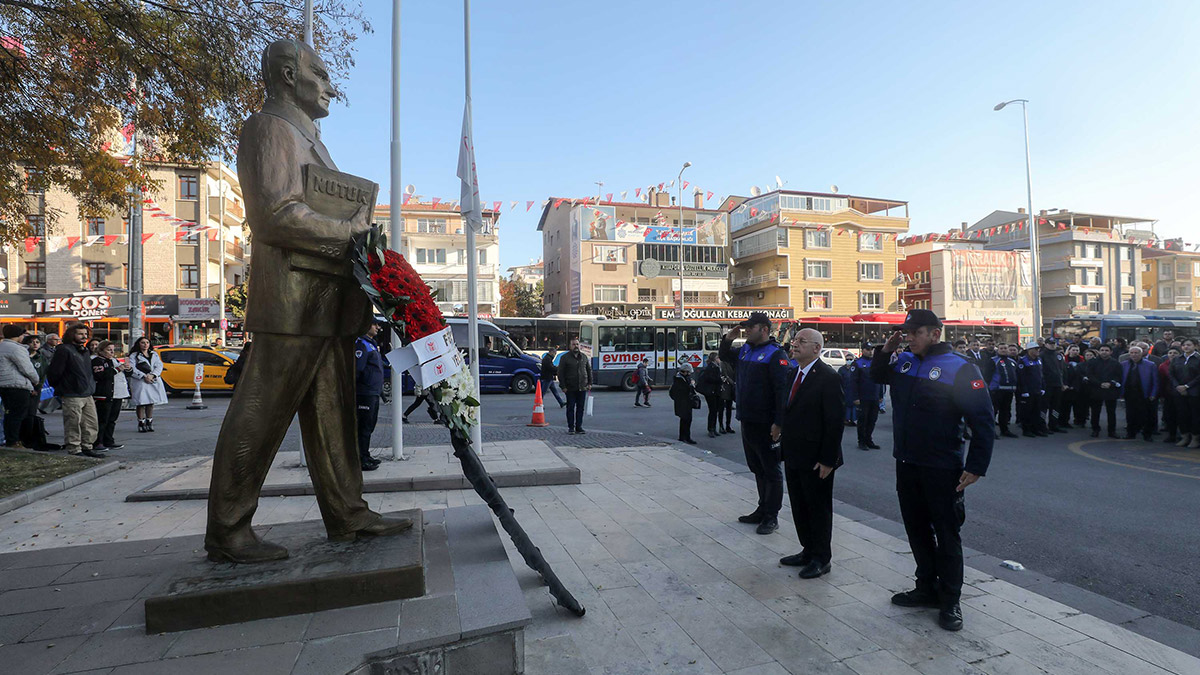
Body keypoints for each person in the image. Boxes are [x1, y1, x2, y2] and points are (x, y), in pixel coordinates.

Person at [206, 39, 411, 564]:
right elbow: (274, 215)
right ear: (286, 74)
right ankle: (228, 528)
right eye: (319, 74)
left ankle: (348, 513)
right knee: (261, 412)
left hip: (326, 302)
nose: (329, 86)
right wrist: (352, 234)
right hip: (291, 300)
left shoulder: (307, 139)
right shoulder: (268, 128)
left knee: (333, 414)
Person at [870, 309, 994, 632]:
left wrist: (976, 466)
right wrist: (886, 350)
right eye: (906, 332)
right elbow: (877, 376)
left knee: (946, 533)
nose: (908, 337)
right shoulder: (905, 361)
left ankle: (950, 599)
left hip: (942, 465)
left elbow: (983, 420)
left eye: (915, 332)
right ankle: (926, 586)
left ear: (935, 333)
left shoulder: (960, 368)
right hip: (907, 461)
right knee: (916, 528)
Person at [777, 329, 844, 580]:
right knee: (799, 506)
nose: (794, 345)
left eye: (801, 342)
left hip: (817, 458)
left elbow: (834, 422)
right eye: (794, 341)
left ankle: (821, 558)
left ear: (816, 348)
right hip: (794, 453)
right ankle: (807, 550)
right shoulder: (793, 373)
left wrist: (828, 459)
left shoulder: (828, 377)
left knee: (818, 509)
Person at [719, 312, 790, 535]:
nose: (747, 330)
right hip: (747, 419)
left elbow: (782, 391)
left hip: (766, 423)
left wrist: (779, 423)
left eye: (751, 327)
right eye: (746, 327)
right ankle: (762, 509)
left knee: (771, 470)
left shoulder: (775, 354)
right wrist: (728, 338)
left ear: (764, 329)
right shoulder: (746, 350)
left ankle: (771, 516)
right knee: (757, 468)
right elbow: (724, 355)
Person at [46, 323, 105, 458]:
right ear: (72, 335)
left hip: (87, 392)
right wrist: (63, 386)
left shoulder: (85, 351)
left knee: (90, 423)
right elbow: (55, 372)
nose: (84, 336)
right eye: (80, 334)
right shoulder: (64, 350)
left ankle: (87, 446)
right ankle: (74, 448)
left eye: (85, 334)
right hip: (71, 392)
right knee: (73, 422)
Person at [0, 325, 38, 447]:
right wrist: (35, 380)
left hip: (4, 384)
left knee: (9, 413)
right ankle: (14, 441)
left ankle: (10, 439)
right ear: (18, 335)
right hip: (17, 384)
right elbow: (26, 368)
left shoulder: (2, 346)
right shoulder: (16, 349)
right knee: (18, 414)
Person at [354, 323, 385, 471]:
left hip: (373, 392)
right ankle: (361, 459)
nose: (377, 327)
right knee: (364, 427)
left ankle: (365, 455)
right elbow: (357, 370)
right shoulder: (361, 344)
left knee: (370, 425)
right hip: (365, 393)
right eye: (374, 324)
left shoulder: (371, 344)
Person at [127, 336, 167, 432]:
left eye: (147, 343)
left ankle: (149, 421)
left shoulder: (154, 354)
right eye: (143, 343)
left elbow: (159, 366)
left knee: (150, 402)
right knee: (141, 402)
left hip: (152, 380)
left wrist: (153, 375)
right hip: (140, 381)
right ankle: (141, 422)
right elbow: (132, 368)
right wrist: (144, 376)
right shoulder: (134, 355)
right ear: (138, 344)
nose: (145, 345)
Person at [847, 342, 883, 450]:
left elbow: (879, 380)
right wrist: (855, 397)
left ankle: (869, 440)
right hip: (863, 397)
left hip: (874, 396)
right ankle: (861, 441)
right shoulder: (857, 363)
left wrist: (880, 395)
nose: (870, 351)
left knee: (872, 420)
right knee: (863, 420)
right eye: (868, 349)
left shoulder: (875, 362)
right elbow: (853, 382)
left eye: (871, 349)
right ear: (862, 350)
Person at [90, 341, 123, 453]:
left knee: (112, 419)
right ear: (101, 350)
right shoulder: (97, 361)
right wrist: (117, 369)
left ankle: (108, 440)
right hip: (103, 394)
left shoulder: (112, 361)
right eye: (109, 350)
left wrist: (126, 369)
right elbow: (100, 375)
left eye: (113, 350)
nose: (112, 352)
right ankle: (98, 442)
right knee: (102, 419)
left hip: (115, 394)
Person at [1084, 344, 1122, 438]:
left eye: (1106, 350)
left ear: (1111, 352)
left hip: (1111, 390)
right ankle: (1095, 429)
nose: (1104, 352)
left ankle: (1112, 431)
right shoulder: (1092, 362)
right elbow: (1089, 375)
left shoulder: (1116, 363)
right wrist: (1099, 383)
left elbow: (1119, 376)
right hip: (1096, 389)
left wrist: (1111, 384)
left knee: (1111, 412)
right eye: (1102, 350)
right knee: (1095, 411)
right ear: (1099, 351)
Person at [1168, 337, 1200, 448]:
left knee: (1195, 415)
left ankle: (1195, 438)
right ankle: (1185, 436)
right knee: (1182, 415)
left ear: (1195, 346)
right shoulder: (1177, 359)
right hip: (1179, 392)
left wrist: (1187, 386)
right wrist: (1177, 386)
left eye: (1189, 345)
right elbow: (1171, 374)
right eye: (1184, 345)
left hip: (1195, 392)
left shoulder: (1198, 359)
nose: (1186, 347)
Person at [1121, 346, 1158, 441]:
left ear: (1141, 354)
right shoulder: (1124, 364)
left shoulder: (1150, 365)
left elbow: (1155, 381)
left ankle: (1147, 434)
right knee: (1130, 414)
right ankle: (1131, 433)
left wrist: (1153, 394)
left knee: (1146, 415)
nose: (1134, 355)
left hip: (1144, 393)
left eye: (1136, 353)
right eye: (1132, 353)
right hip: (1129, 393)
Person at [557, 336, 592, 434]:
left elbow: (588, 370)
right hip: (570, 388)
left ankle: (579, 427)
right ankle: (571, 427)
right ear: (570, 346)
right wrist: (563, 386)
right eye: (573, 344)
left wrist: (590, 383)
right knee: (570, 408)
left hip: (582, 387)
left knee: (580, 408)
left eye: (577, 344)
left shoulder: (584, 357)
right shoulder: (565, 358)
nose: (576, 346)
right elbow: (560, 373)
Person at [1016, 341, 1047, 437]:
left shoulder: (1039, 360)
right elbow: (1021, 377)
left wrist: (1043, 387)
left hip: (1037, 390)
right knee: (1027, 411)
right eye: (1036, 349)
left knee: (1036, 411)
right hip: (1028, 391)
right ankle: (1027, 430)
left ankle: (1035, 429)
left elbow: (1041, 375)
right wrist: (1024, 390)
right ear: (1029, 350)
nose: (1038, 350)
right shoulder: (1023, 361)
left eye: (1038, 349)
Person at [989, 343, 1019, 438]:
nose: (1003, 350)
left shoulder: (1012, 361)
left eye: (1005, 348)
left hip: (1009, 390)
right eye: (1001, 348)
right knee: (993, 411)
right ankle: (991, 431)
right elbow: (987, 375)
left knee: (1005, 411)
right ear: (997, 350)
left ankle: (1004, 430)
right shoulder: (993, 360)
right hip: (997, 390)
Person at [1040, 338, 1067, 433]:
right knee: (1044, 407)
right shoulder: (1041, 355)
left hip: (1057, 385)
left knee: (1056, 406)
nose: (1052, 345)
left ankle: (1054, 424)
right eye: (1050, 343)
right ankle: (1042, 425)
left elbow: (1063, 370)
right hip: (1047, 385)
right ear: (1046, 344)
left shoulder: (1058, 355)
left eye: (1053, 343)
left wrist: (1064, 383)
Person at [669, 362, 698, 445]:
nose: (689, 374)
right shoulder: (679, 380)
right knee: (684, 420)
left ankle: (687, 437)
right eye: (688, 372)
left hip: (687, 402)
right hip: (682, 403)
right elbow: (684, 391)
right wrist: (691, 385)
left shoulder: (684, 378)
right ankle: (683, 437)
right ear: (684, 371)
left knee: (688, 420)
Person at [696, 352, 724, 438]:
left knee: (715, 410)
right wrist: (720, 379)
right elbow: (710, 379)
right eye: (718, 358)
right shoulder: (711, 367)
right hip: (711, 392)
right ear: (715, 359)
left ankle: (713, 428)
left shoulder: (715, 367)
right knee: (712, 410)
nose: (719, 359)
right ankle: (711, 429)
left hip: (715, 391)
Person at [1160, 347, 1181, 443]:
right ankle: (1172, 435)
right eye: (1170, 353)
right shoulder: (1163, 366)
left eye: (1175, 353)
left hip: (1182, 392)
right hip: (1169, 393)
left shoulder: (1183, 363)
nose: (1172, 354)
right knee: (1170, 415)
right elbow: (1161, 380)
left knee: (1182, 415)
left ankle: (1183, 435)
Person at [1060, 344, 1084, 429]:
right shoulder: (1064, 359)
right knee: (1066, 405)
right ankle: (1064, 421)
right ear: (1069, 350)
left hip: (1078, 385)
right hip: (1066, 384)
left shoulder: (1081, 359)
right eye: (1073, 350)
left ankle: (1079, 420)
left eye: (1077, 350)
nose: (1075, 352)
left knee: (1078, 405)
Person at [37, 333, 61, 413]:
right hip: (47, 372)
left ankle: (46, 407)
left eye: (58, 339)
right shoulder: (43, 350)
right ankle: (44, 406)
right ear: (49, 340)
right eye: (55, 339)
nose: (57, 341)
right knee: (47, 390)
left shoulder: (55, 349)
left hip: (52, 371)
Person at [718, 355, 735, 434]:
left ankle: (728, 425)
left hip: (730, 388)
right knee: (721, 408)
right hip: (724, 387)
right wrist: (733, 382)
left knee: (729, 408)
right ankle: (721, 426)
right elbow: (724, 374)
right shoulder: (723, 363)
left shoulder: (733, 363)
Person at [838, 360, 858, 427]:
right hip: (845, 389)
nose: (849, 361)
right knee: (847, 405)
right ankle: (847, 419)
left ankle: (854, 420)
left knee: (854, 406)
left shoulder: (855, 368)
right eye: (847, 359)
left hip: (854, 390)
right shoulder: (842, 369)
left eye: (850, 359)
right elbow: (839, 379)